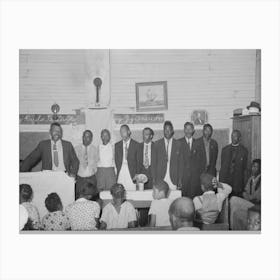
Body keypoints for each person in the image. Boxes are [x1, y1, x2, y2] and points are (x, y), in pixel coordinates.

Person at [229, 159, 261, 230]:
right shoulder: (251, 179)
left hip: (256, 206)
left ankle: (231, 228)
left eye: (256, 167)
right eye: (253, 166)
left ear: (260, 168)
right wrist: (245, 195)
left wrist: (245, 195)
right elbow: (246, 191)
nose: (253, 168)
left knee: (234, 199)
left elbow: (256, 197)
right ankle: (233, 229)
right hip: (250, 202)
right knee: (235, 209)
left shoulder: (261, 180)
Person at [219, 129, 248, 197]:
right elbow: (222, 166)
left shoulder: (244, 151)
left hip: (237, 181)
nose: (233, 138)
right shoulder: (225, 150)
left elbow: (244, 167)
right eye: (232, 136)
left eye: (235, 136)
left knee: (235, 201)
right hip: (226, 180)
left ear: (239, 138)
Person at [154, 121, 180, 190]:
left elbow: (181, 164)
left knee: (173, 199)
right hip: (160, 177)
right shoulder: (157, 144)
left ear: (172, 131)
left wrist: (179, 180)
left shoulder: (178, 144)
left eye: (169, 130)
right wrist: (154, 179)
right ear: (163, 131)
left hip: (174, 177)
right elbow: (154, 163)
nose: (167, 132)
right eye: (166, 130)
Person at [178, 122, 201, 198]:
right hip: (183, 178)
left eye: (190, 129)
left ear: (193, 130)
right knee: (183, 199)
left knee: (194, 199)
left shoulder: (198, 143)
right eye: (186, 129)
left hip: (195, 178)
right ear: (184, 130)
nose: (188, 131)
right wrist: (179, 179)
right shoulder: (178, 143)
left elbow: (199, 162)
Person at [115, 125, 140, 191]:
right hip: (121, 172)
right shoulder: (117, 145)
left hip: (132, 173)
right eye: (120, 132)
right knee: (120, 191)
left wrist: (137, 174)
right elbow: (116, 161)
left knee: (132, 191)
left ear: (129, 132)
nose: (122, 133)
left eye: (123, 131)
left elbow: (138, 161)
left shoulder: (136, 145)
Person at [75, 130, 98, 199]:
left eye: (88, 137)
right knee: (79, 199)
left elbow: (97, 162)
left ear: (91, 139)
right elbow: (73, 163)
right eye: (84, 136)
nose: (85, 138)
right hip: (80, 179)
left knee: (92, 199)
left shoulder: (95, 149)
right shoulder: (76, 148)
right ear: (82, 137)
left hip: (91, 179)